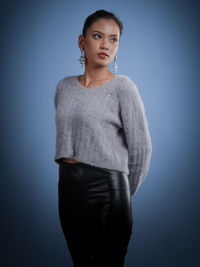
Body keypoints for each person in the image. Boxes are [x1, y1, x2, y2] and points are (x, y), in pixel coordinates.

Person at [54, 9, 152, 267]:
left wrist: (122, 193)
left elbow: (141, 150)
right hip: (68, 189)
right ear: (81, 41)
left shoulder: (123, 87)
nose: (105, 45)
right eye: (98, 36)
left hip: (108, 190)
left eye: (113, 39)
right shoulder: (64, 87)